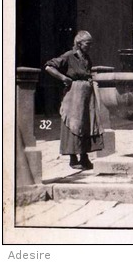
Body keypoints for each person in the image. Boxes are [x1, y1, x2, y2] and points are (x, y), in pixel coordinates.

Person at [44, 31, 103, 170]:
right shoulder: (69, 56)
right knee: (73, 122)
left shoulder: (87, 57)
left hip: (87, 96)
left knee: (87, 123)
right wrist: (63, 78)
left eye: (90, 44)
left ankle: (84, 157)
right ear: (79, 43)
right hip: (74, 94)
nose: (90, 46)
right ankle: (73, 158)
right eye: (88, 43)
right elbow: (49, 66)